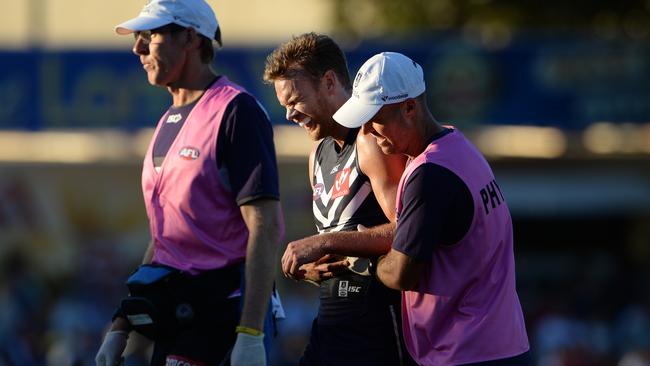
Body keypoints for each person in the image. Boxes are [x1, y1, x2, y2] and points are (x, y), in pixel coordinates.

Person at [95, 0, 283, 365]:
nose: (138, 48)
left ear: (191, 39)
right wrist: (120, 327)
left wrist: (250, 334)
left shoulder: (235, 111)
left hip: (225, 319)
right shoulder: (167, 121)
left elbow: (265, 226)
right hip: (178, 320)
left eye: (150, 35)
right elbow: (165, 241)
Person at [331, 52, 531, 365]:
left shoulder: (430, 174)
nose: (367, 132)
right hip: (501, 346)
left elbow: (402, 274)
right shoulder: (460, 148)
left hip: (464, 352)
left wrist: (364, 264)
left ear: (409, 107)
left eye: (375, 119)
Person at [263, 33, 415, 366]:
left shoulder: (371, 140)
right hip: (330, 324)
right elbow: (340, 243)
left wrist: (323, 242)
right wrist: (314, 265)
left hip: (376, 329)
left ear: (329, 81)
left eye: (295, 101)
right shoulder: (317, 154)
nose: (289, 115)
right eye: (283, 105)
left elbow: (408, 233)